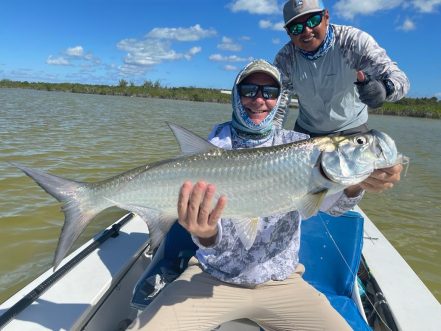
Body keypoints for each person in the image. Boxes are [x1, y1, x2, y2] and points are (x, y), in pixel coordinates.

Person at [128, 60, 401, 331]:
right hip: (212, 278)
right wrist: (205, 233)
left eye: (269, 93)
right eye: (249, 90)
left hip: (283, 283)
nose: (259, 100)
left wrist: (356, 185)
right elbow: (208, 239)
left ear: (280, 99)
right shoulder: (213, 148)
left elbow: (333, 207)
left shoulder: (299, 145)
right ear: (236, 94)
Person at [273, 0, 410, 137]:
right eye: (296, 28)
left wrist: (386, 89)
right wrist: (271, 137)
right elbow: (278, 107)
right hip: (306, 132)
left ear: (326, 17)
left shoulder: (353, 43)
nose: (306, 31)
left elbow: (401, 79)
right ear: (288, 33)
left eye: (313, 20)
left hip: (352, 129)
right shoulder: (285, 59)